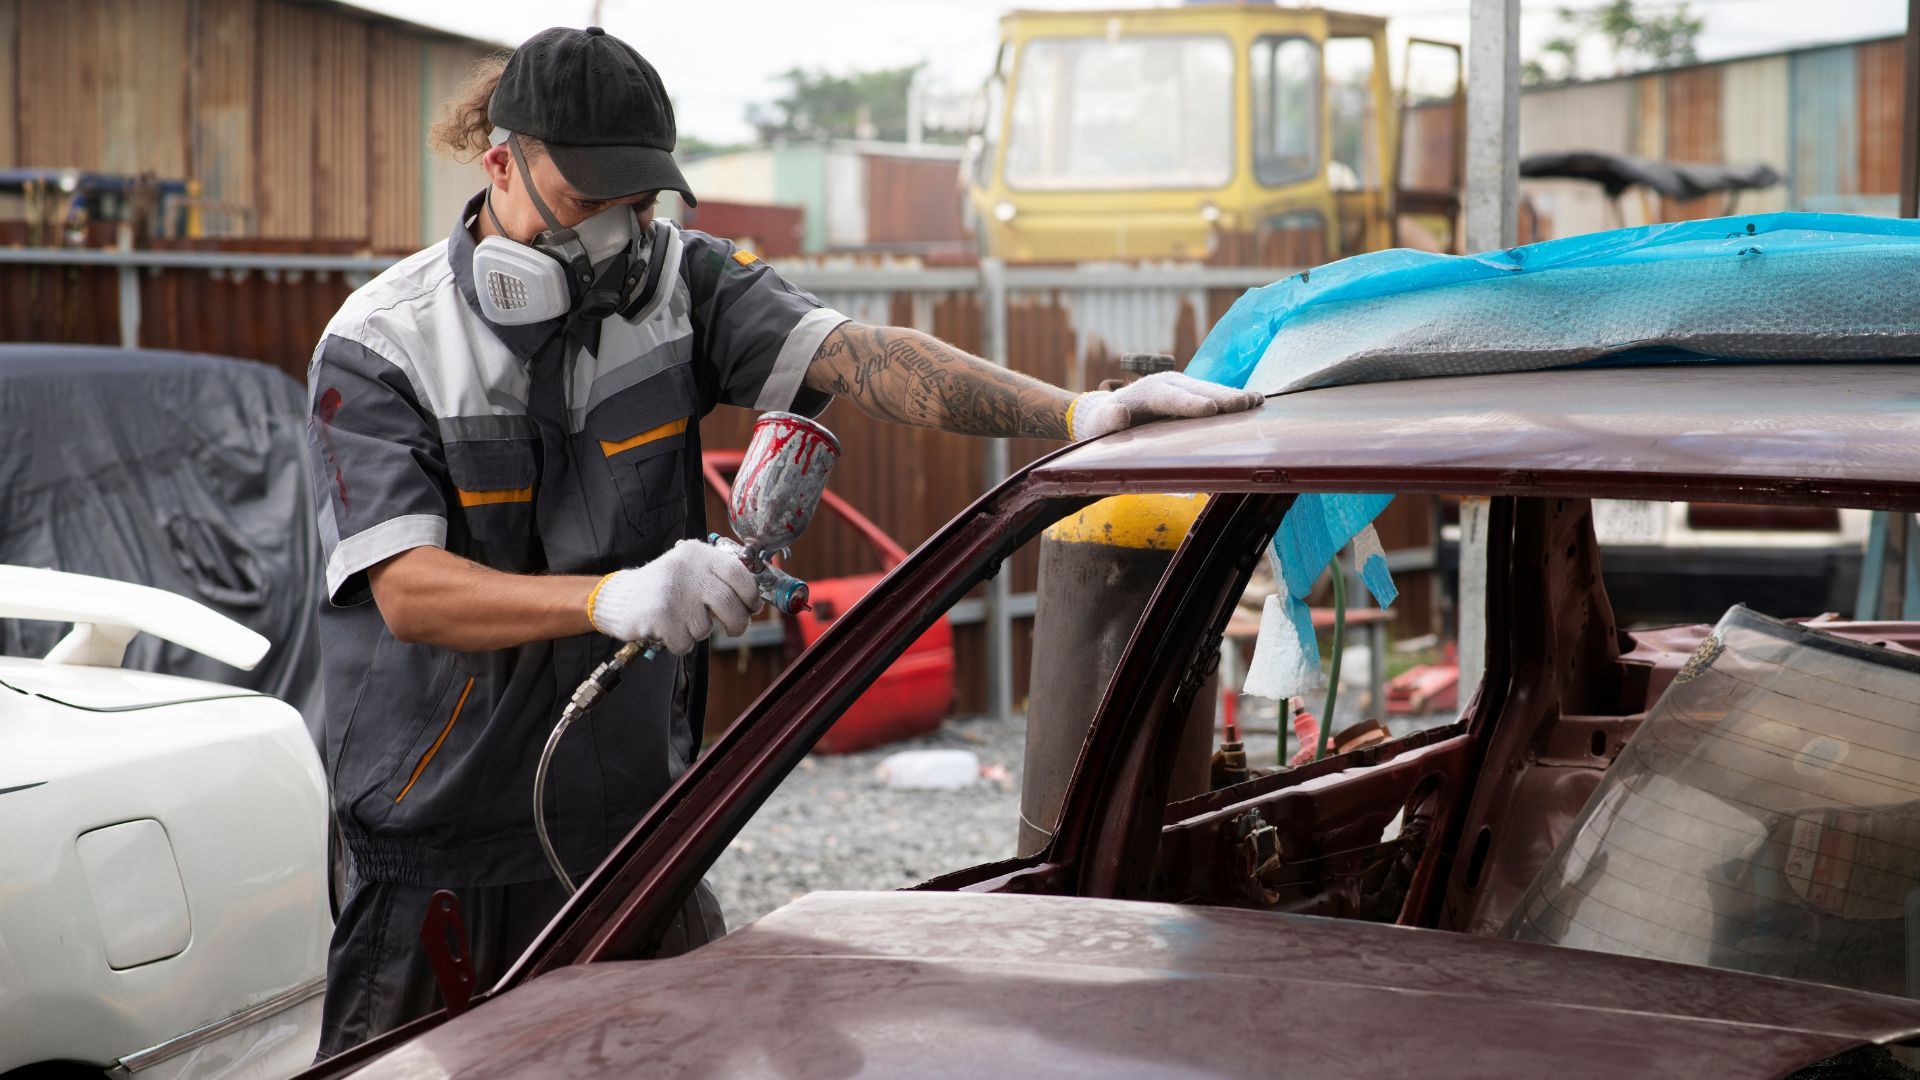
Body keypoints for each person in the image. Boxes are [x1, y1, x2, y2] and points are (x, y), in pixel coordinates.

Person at [304, 25, 1262, 1057]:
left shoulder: (682, 287)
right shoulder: (384, 342)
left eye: (639, 204)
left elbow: (864, 357)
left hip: (631, 831)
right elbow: (409, 591)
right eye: (589, 202)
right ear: (501, 164)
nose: (618, 236)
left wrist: (1076, 416)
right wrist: (608, 599)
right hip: (434, 857)